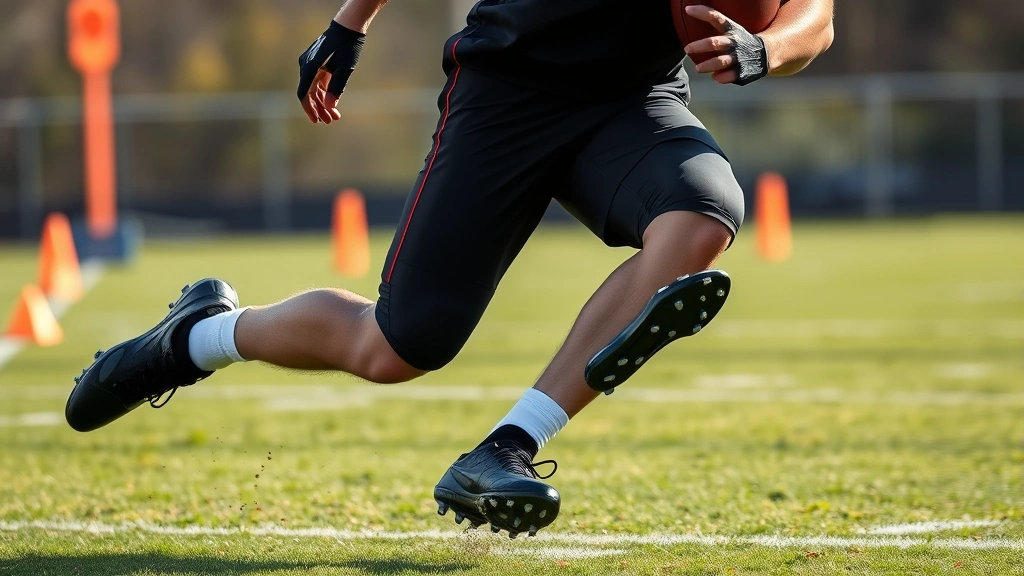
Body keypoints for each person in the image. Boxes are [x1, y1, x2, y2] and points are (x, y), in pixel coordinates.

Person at [66, 0, 834, 538]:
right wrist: (350, 21)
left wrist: (770, 48)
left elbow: (817, 14)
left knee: (704, 210)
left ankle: (506, 448)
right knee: (397, 345)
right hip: (509, 86)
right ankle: (199, 335)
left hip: (630, 101)